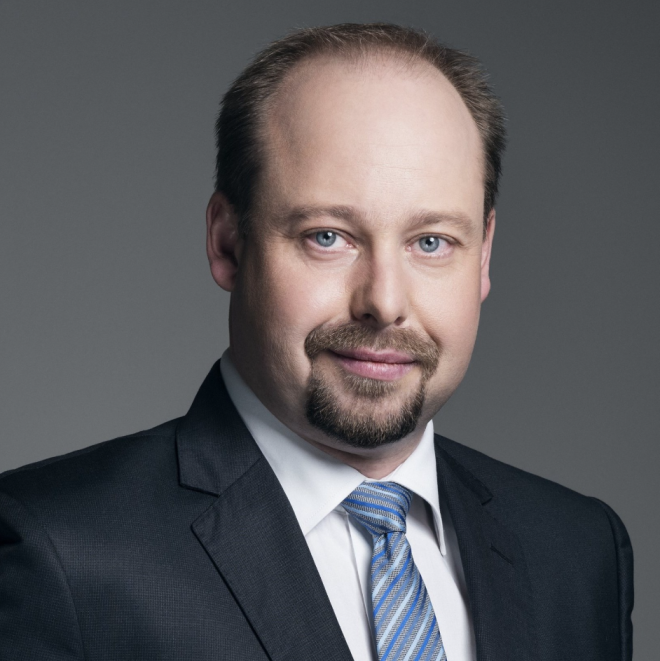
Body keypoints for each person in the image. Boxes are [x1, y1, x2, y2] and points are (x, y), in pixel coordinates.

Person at [0, 23, 633, 661]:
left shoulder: (578, 553)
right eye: (328, 236)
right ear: (227, 242)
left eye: (431, 242)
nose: (384, 302)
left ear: (484, 255)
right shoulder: (55, 554)